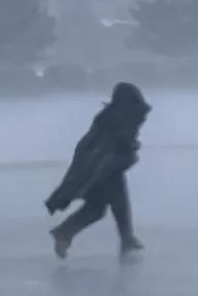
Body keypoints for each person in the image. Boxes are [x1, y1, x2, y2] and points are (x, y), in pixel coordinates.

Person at [46, 82, 150, 257]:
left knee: (101, 207)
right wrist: (133, 146)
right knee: (115, 205)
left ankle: (66, 233)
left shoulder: (110, 115)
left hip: (103, 168)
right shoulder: (122, 116)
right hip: (105, 169)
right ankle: (65, 233)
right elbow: (121, 141)